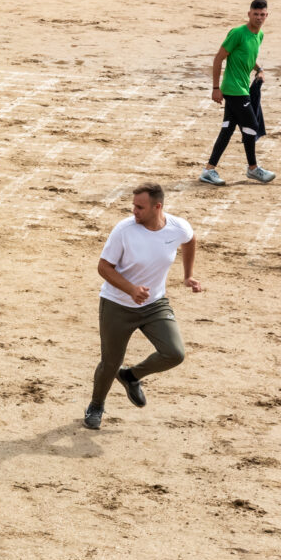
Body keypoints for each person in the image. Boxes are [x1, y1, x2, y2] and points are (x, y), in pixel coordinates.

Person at [83, 183, 201, 430]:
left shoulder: (178, 227)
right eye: (133, 205)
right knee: (110, 362)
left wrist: (188, 275)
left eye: (140, 207)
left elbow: (190, 241)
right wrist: (131, 289)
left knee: (174, 353)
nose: (133, 211)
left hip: (154, 304)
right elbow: (103, 267)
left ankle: (131, 376)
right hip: (117, 304)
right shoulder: (124, 230)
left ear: (157, 207)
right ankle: (96, 404)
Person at [200, 0, 275, 186]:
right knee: (250, 126)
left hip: (242, 88)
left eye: (262, 14)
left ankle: (209, 170)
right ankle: (252, 169)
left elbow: (249, 56)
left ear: (266, 15)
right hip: (234, 89)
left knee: (227, 129)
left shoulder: (260, 35)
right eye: (255, 14)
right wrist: (216, 88)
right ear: (249, 14)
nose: (258, 17)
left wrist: (259, 69)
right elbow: (218, 59)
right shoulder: (238, 34)